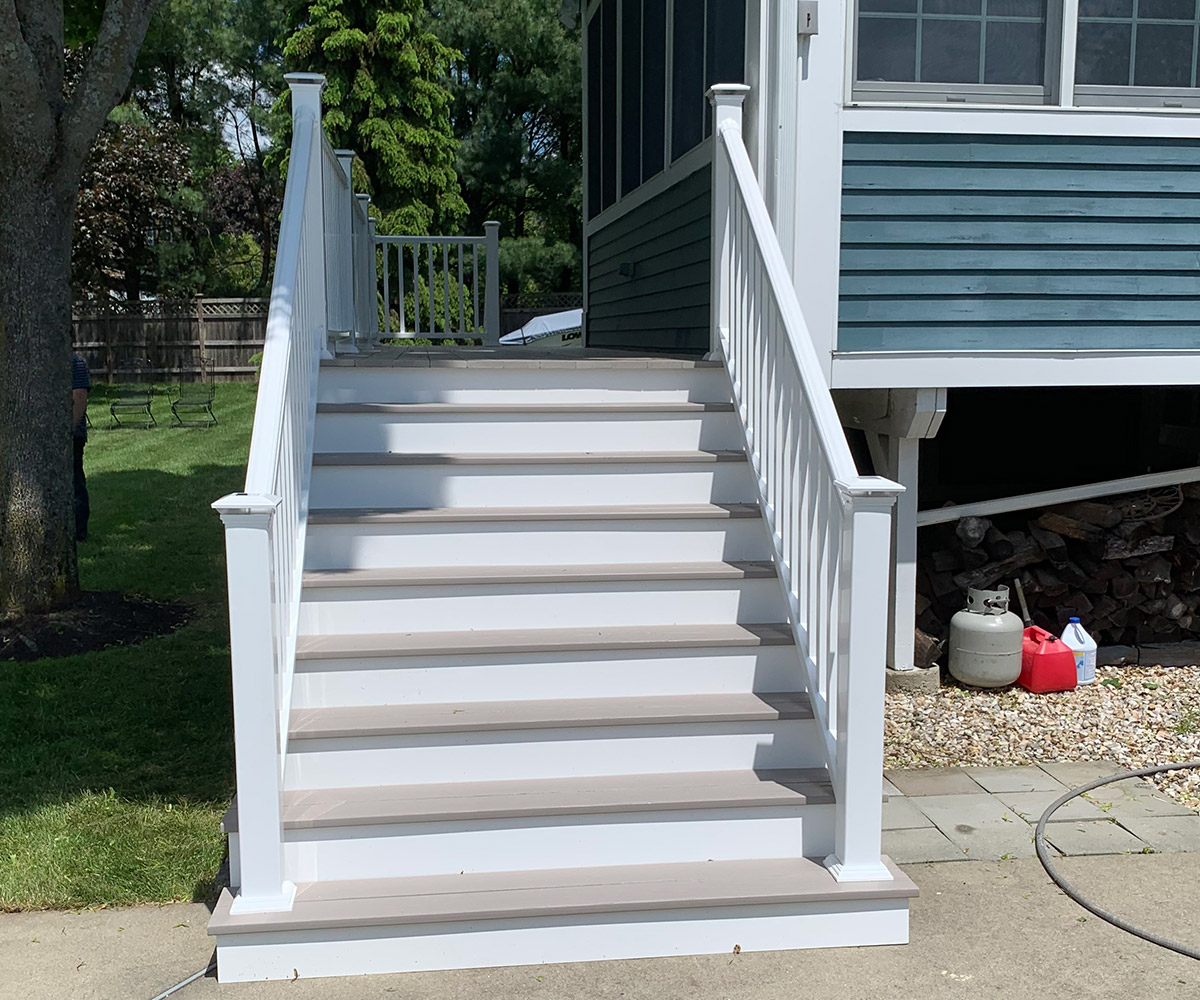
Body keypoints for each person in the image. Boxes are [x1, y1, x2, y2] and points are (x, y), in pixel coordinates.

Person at [72, 351, 91, 542]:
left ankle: (79, 533)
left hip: (72, 436)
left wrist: (69, 430)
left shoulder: (74, 362)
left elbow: (80, 398)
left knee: (75, 482)